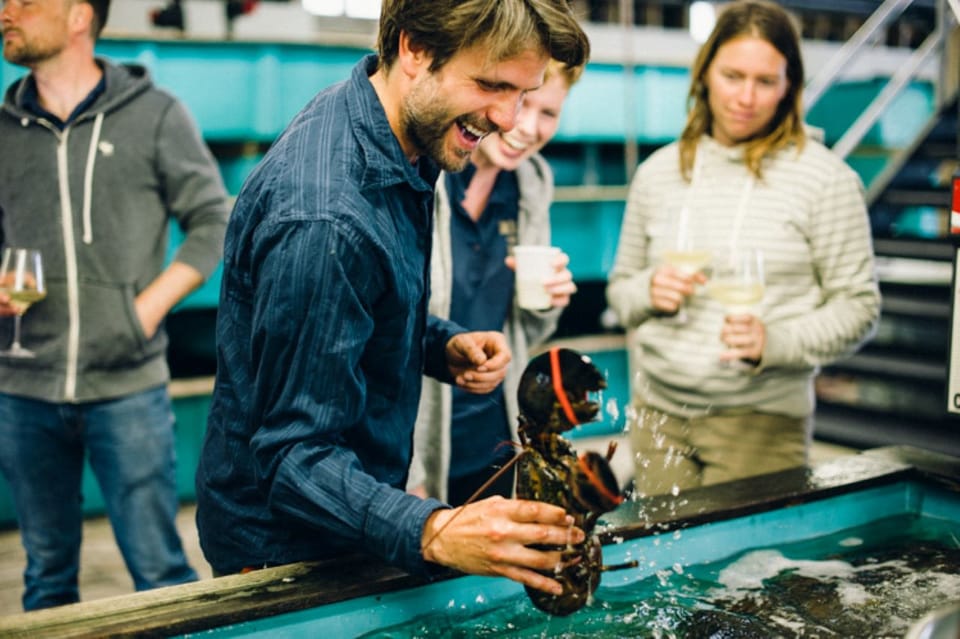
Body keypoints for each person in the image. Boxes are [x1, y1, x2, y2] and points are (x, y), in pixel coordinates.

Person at [194, 0, 591, 598]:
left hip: (345, 517)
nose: (510, 119)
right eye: (492, 85)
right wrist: (433, 529)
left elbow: (355, 308)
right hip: (285, 552)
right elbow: (293, 457)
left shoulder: (392, 129)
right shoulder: (325, 216)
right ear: (414, 49)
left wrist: (437, 342)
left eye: (525, 93)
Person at [0, 0, 229, 611]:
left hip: (127, 387)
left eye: (25, 1)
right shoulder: (2, 129)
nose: (7, 10)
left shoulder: (154, 115)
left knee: (160, 573)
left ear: (78, 16)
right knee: (45, 576)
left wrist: (144, 312)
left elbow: (214, 220)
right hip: (24, 390)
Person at [605, 0, 880, 497]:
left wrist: (773, 343)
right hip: (657, 415)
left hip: (760, 421)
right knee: (664, 571)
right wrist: (649, 289)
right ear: (705, 72)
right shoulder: (657, 173)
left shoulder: (826, 179)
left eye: (765, 81)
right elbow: (621, 294)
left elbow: (859, 308)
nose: (746, 97)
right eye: (732, 75)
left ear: (788, 87)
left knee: (746, 575)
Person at [408, 59, 583, 507]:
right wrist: (411, 470)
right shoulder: (424, 172)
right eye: (521, 103)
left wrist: (548, 303)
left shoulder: (531, 182)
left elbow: (527, 332)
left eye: (548, 113)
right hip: (418, 434)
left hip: (494, 430)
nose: (526, 126)